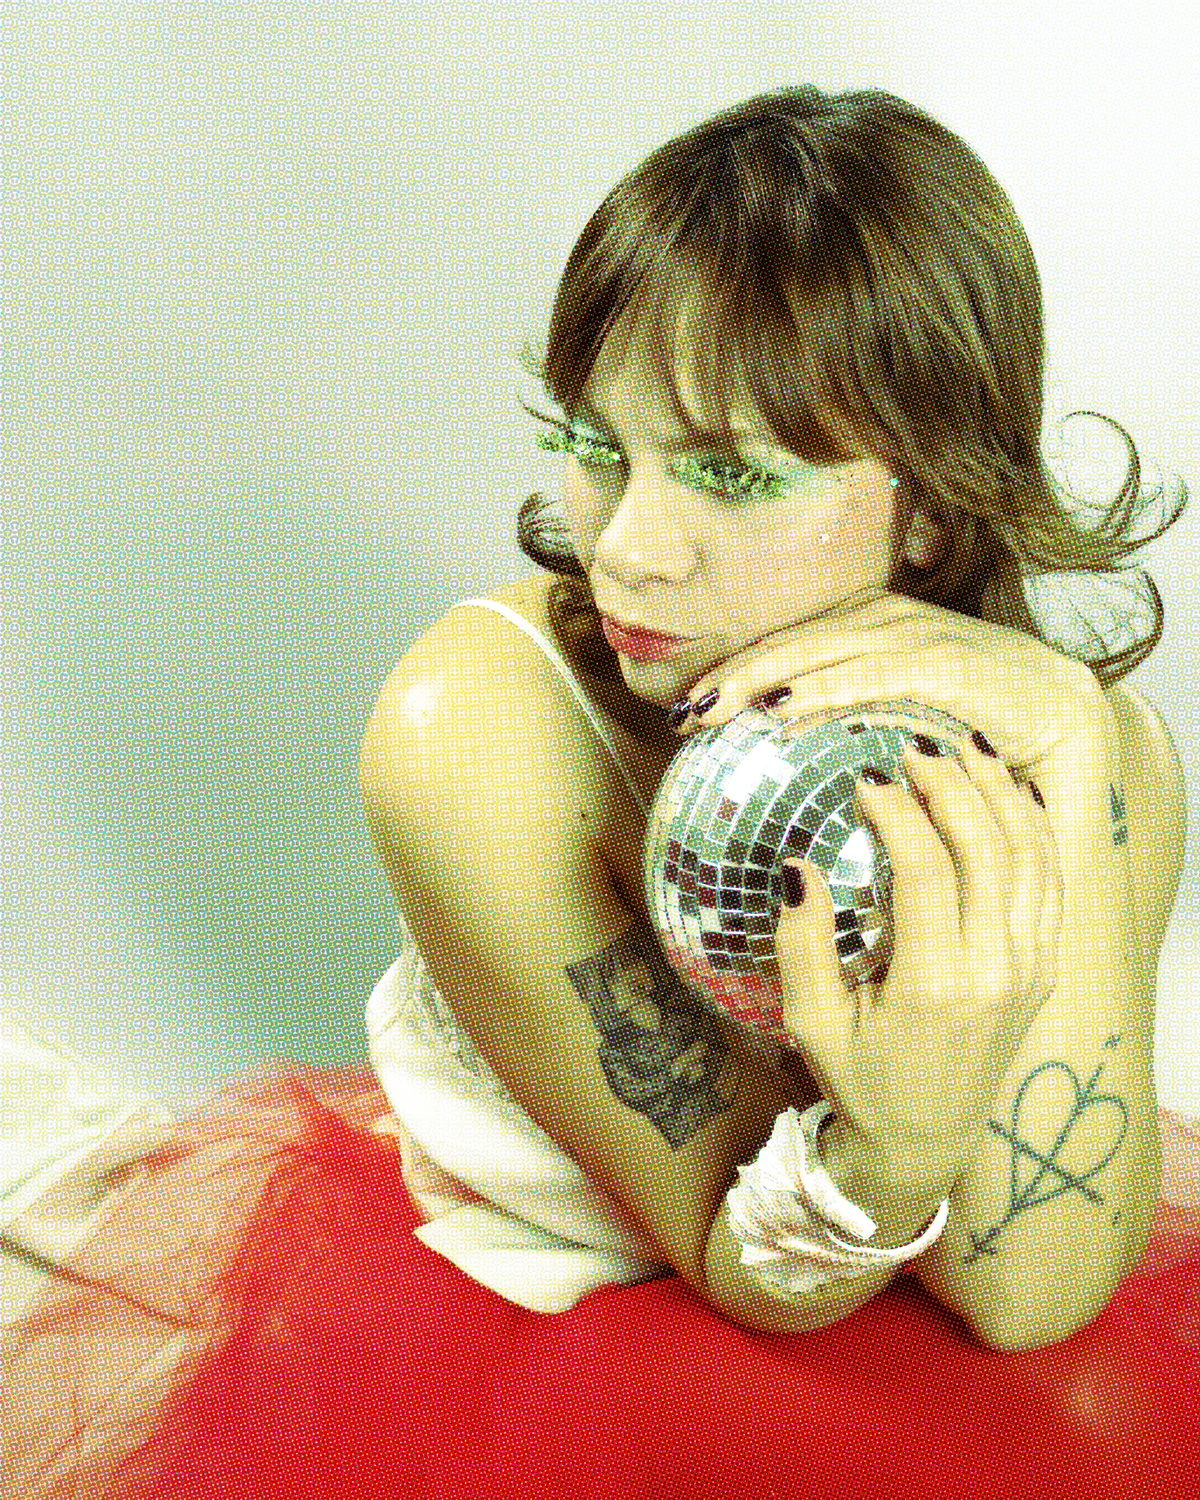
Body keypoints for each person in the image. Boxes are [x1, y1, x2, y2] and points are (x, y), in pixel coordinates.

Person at [3, 85, 1197, 1500]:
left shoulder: (1085, 743)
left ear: (932, 504)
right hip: (566, 1332)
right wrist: (902, 1146)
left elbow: (1027, 1296)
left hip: (923, 1363)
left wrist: (1070, 756)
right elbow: (745, 1265)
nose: (628, 548)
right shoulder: (478, 732)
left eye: (729, 474)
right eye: (594, 448)